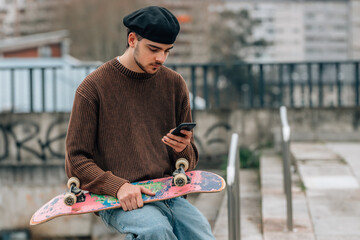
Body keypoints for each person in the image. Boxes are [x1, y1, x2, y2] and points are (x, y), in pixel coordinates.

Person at [65, 6, 215, 240]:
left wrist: (182, 148)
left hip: (166, 193)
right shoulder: (93, 87)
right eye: (154, 49)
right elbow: (76, 161)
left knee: (202, 236)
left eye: (167, 51)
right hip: (116, 197)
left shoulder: (175, 84)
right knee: (155, 232)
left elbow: (189, 162)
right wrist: (118, 186)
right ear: (132, 39)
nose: (160, 58)